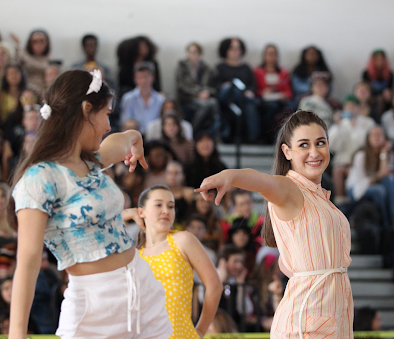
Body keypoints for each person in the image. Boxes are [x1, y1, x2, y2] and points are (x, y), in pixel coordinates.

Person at [8, 70, 172, 339]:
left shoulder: (91, 160)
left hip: (144, 289)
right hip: (95, 309)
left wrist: (135, 138)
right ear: (86, 110)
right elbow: (27, 263)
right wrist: (17, 336)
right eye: (106, 114)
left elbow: (120, 140)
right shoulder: (40, 178)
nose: (109, 125)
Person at [196, 109, 353, 338]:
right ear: (286, 151)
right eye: (303, 145)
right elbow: (262, 181)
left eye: (320, 142)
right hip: (307, 319)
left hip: (330, 313)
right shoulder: (290, 188)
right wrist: (229, 175)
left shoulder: (322, 199)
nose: (314, 152)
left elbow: (288, 265)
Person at [134, 185, 222, 338]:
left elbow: (215, 286)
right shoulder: (135, 254)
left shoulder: (183, 240)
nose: (166, 211)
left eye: (171, 206)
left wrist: (200, 330)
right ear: (141, 212)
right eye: (158, 204)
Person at [346, 126, 394, 228]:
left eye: (380, 135)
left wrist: (383, 153)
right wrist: (379, 176)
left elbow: (388, 175)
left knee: (389, 181)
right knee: (379, 190)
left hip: (374, 183)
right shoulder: (361, 155)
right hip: (357, 188)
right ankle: (386, 225)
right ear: (368, 138)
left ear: (385, 138)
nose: (377, 137)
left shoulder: (389, 154)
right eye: (373, 135)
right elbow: (361, 182)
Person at [329, 94, 375, 204]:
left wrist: (356, 128)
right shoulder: (340, 124)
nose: (350, 109)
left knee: (351, 171)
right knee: (338, 171)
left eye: (353, 106)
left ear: (358, 108)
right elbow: (332, 146)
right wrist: (338, 125)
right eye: (347, 106)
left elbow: (368, 143)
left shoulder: (367, 122)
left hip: (359, 160)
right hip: (342, 160)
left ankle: (353, 200)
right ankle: (340, 202)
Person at [216, 37, 260, 143]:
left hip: (243, 99)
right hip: (225, 99)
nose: (236, 51)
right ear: (225, 50)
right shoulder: (220, 68)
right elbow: (215, 87)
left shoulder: (246, 68)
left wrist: (249, 92)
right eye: (232, 48)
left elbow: (252, 86)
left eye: (238, 48)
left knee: (250, 107)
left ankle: (253, 139)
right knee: (231, 90)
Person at [175, 42, 219, 136]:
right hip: (187, 98)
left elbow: (212, 85)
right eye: (192, 52)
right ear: (187, 53)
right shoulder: (182, 65)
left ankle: (211, 133)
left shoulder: (205, 67)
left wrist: (206, 92)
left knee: (213, 103)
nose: (194, 55)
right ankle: (194, 131)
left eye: (196, 52)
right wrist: (198, 93)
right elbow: (182, 85)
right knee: (208, 105)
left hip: (203, 98)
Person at [254, 44, 293, 142]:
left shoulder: (283, 72)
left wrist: (285, 95)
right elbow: (254, 90)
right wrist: (262, 92)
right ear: (264, 56)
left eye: (274, 54)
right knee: (271, 107)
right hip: (263, 100)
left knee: (291, 107)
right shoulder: (257, 72)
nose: (272, 57)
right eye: (269, 54)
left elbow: (288, 91)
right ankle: (267, 136)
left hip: (280, 100)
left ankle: (282, 136)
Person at [119, 61, 165, 134]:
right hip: (135, 135)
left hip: (155, 137)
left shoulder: (161, 99)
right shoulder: (128, 98)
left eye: (146, 77)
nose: (143, 81)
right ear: (135, 79)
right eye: (140, 77)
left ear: (152, 77)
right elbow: (125, 121)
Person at [362, 49, 394, 117]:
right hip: (371, 97)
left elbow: (390, 88)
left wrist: (387, 92)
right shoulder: (366, 74)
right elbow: (365, 88)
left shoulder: (390, 74)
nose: (380, 61)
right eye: (377, 59)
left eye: (382, 59)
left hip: (384, 99)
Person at [18, 30, 51, 94]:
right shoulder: (22, 57)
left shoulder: (50, 59)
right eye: (35, 41)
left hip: (44, 93)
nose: (38, 44)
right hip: (26, 92)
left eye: (42, 41)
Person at [165, 161, 194, 225]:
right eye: (169, 173)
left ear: (183, 176)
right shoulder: (160, 193)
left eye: (176, 173)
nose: (172, 176)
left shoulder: (189, 193)